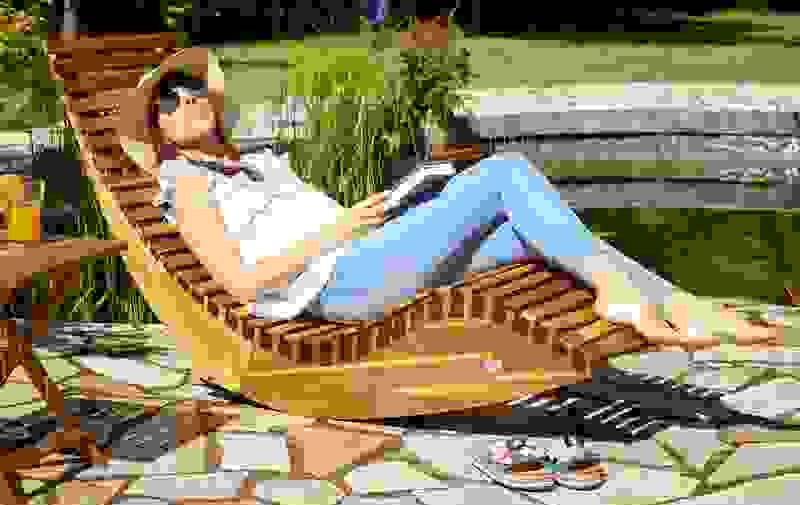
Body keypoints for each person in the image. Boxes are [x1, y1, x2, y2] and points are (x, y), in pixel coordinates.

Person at [117, 48, 784, 353]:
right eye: (168, 100)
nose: (186, 100)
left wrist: (373, 217)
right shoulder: (189, 184)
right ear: (159, 130)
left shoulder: (256, 161)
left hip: (365, 253)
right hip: (339, 282)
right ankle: (638, 297)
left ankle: (675, 302)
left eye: (191, 88)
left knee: (533, 231)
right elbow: (239, 284)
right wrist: (339, 231)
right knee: (505, 174)